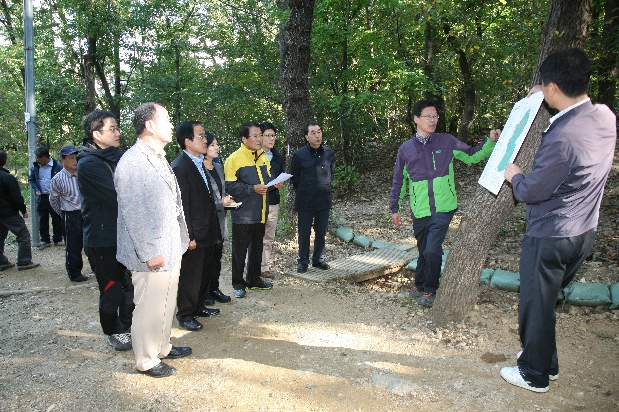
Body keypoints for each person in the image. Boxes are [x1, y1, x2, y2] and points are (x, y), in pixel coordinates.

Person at [502, 48, 616, 393]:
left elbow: (533, 191)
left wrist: (515, 176)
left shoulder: (563, 136)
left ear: (553, 87)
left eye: (543, 85)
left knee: (535, 303)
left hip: (551, 234)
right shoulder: (604, 116)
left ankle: (534, 374)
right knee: (547, 299)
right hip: (584, 232)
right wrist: (544, 92)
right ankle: (546, 363)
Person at [390, 100, 499, 307]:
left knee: (432, 249)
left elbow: (472, 155)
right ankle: (420, 285)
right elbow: (399, 179)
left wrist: (490, 143)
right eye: (428, 116)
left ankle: (431, 289)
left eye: (436, 116)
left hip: (443, 207)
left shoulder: (446, 141)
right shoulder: (405, 149)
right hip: (419, 208)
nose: (433, 120)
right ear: (416, 119)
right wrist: (394, 208)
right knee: (423, 249)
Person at [115, 102, 191, 378]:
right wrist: (148, 251)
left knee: (166, 301)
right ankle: (146, 359)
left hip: (170, 246)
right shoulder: (134, 162)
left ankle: (162, 346)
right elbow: (133, 212)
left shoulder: (156, 156)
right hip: (151, 251)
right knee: (149, 305)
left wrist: (181, 239)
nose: (172, 125)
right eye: (167, 119)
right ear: (149, 125)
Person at [78, 110, 134, 352]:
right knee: (112, 287)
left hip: (124, 235)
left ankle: (128, 326)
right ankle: (112, 331)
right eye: (112, 129)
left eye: (116, 128)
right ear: (96, 133)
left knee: (129, 285)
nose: (117, 133)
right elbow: (119, 197)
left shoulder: (118, 157)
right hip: (103, 238)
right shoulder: (89, 164)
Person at [171, 121, 222, 332]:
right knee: (191, 275)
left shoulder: (200, 162)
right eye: (200, 136)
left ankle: (199, 306)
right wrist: (188, 236)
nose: (205, 140)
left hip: (209, 227)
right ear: (187, 141)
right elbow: (182, 207)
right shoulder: (180, 167)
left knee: (205, 272)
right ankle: (185, 314)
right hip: (194, 232)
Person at [224, 121, 273, 298]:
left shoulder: (262, 156)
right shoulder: (234, 159)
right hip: (243, 214)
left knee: (257, 248)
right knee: (240, 250)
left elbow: (266, 181)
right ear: (244, 139)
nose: (259, 139)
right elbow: (230, 186)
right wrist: (252, 189)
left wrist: (275, 184)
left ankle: (254, 279)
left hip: (260, 212)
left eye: (260, 135)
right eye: (255, 135)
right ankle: (238, 283)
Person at [290, 121, 335, 273]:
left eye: (319, 132)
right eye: (313, 133)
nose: (317, 135)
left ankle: (318, 259)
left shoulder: (329, 153)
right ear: (306, 137)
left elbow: (331, 173)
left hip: (324, 199)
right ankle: (303, 261)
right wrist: (306, 189)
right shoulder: (299, 155)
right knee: (304, 232)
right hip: (305, 200)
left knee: (321, 231)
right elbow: (294, 178)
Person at [203, 133, 234, 304]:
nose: (217, 148)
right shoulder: (198, 169)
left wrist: (227, 199)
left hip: (220, 219)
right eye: (212, 145)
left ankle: (214, 288)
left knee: (216, 257)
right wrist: (219, 202)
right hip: (206, 221)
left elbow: (221, 191)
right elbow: (201, 200)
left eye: (217, 144)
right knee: (205, 259)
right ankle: (204, 292)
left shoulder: (218, 167)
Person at [49, 145, 87, 282]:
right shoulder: (58, 179)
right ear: (62, 160)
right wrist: (63, 214)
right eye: (71, 158)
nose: (74, 161)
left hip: (87, 213)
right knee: (73, 245)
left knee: (90, 242)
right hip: (70, 215)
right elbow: (53, 200)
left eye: (76, 158)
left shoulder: (83, 174)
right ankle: (75, 272)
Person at [0, 150, 40, 272]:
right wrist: (23, 210)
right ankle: (24, 261)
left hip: (4, 212)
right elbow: (16, 197)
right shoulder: (7, 177)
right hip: (8, 212)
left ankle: (1, 261)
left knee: (0, 235)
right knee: (23, 234)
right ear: (5, 161)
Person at [259, 122, 285, 278]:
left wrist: (279, 183)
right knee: (256, 235)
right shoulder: (253, 155)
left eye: (273, 135)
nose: (271, 138)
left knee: (268, 236)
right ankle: (252, 266)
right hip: (256, 201)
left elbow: (279, 175)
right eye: (267, 135)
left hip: (273, 200)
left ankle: (264, 267)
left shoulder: (277, 156)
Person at [28, 146, 63, 248]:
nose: (36, 160)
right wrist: (36, 189)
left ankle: (58, 238)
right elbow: (32, 179)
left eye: (38, 158)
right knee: (43, 218)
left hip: (54, 197)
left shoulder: (58, 166)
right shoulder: (36, 167)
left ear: (44, 157)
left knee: (56, 218)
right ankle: (45, 239)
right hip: (42, 197)